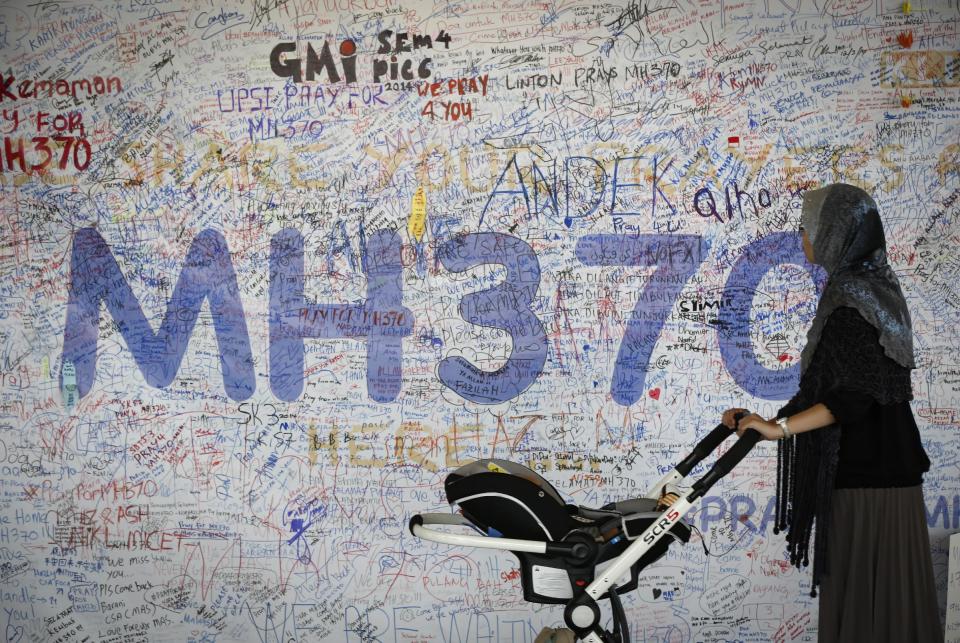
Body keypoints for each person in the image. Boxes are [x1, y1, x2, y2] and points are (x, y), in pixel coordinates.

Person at [722, 183, 940, 643]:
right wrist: (758, 422)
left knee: (869, 610)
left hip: (871, 484)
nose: (804, 236)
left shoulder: (852, 303)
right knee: (878, 608)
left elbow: (852, 399)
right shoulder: (869, 292)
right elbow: (831, 389)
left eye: (811, 227)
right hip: (879, 475)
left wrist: (779, 429)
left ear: (839, 232)